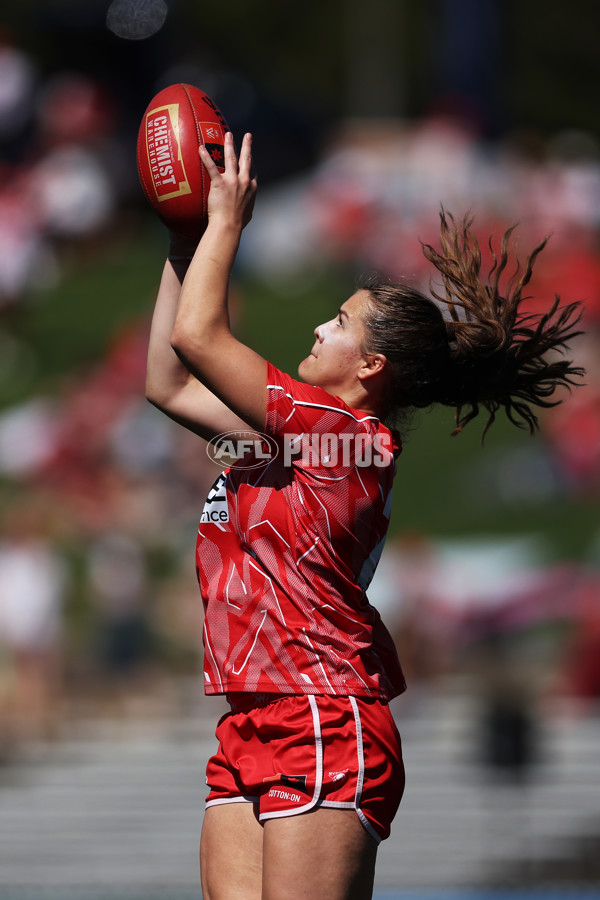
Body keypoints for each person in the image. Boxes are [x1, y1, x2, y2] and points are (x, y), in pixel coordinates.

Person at [145, 132, 583, 900]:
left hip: (322, 710)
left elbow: (198, 338)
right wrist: (184, 241)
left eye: (339, 323)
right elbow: (170, 385)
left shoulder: (346, 434)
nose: (319, 329)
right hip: (252, 714)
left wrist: (224, 225)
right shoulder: (298, 435)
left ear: (371, 366)